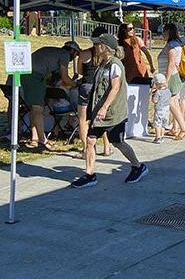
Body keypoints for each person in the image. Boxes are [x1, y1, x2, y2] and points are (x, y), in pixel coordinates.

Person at [71, 33, 149, 188]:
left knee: (118, 142)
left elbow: (115, 88)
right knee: (90, 140)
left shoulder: (115, 65)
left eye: (97, 44)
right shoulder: (102, 64)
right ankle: (90, 174)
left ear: (105, 47)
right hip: (99, 112)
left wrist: (105, 107)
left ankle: (138, 167)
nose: (95, 46)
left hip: (112, 113)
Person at [21, 43, 79, 149]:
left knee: (33, 109)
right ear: (73, 51)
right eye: (76, 54)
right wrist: (76, 84)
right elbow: (65, 78)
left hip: (25, 74)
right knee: (38, 109)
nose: (75, 57)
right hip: (35, 76)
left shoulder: (52, 51)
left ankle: (35, 139)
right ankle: (43, 140)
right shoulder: (64, 55)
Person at [76, 30, 112, 159]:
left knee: (83, 120)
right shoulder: (105, 55)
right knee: (100, 118)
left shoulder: (85, 53)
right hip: (99, 88)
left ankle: (86, 149)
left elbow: (79, 71)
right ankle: (107, 147)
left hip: (86, 86)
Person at [157, 23, 185, 140]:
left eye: (164, 32)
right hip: (170, 76)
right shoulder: (173, 44)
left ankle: (183, 128)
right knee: (174, 103)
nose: (162, 34)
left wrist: (166, 79)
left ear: (168, 32)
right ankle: (179, 128)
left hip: (171, 76)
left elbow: (171, 64)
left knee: (172, 102)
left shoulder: (172, 45)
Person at [150, 72, 171, 144]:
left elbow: (154, 101)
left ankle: (158, 137)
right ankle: (162, 136)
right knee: (163, 124)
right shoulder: (168, 91)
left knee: (157, 123)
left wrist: (152, 94)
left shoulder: (158, 92)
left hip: (159, 109)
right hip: (167, 109)